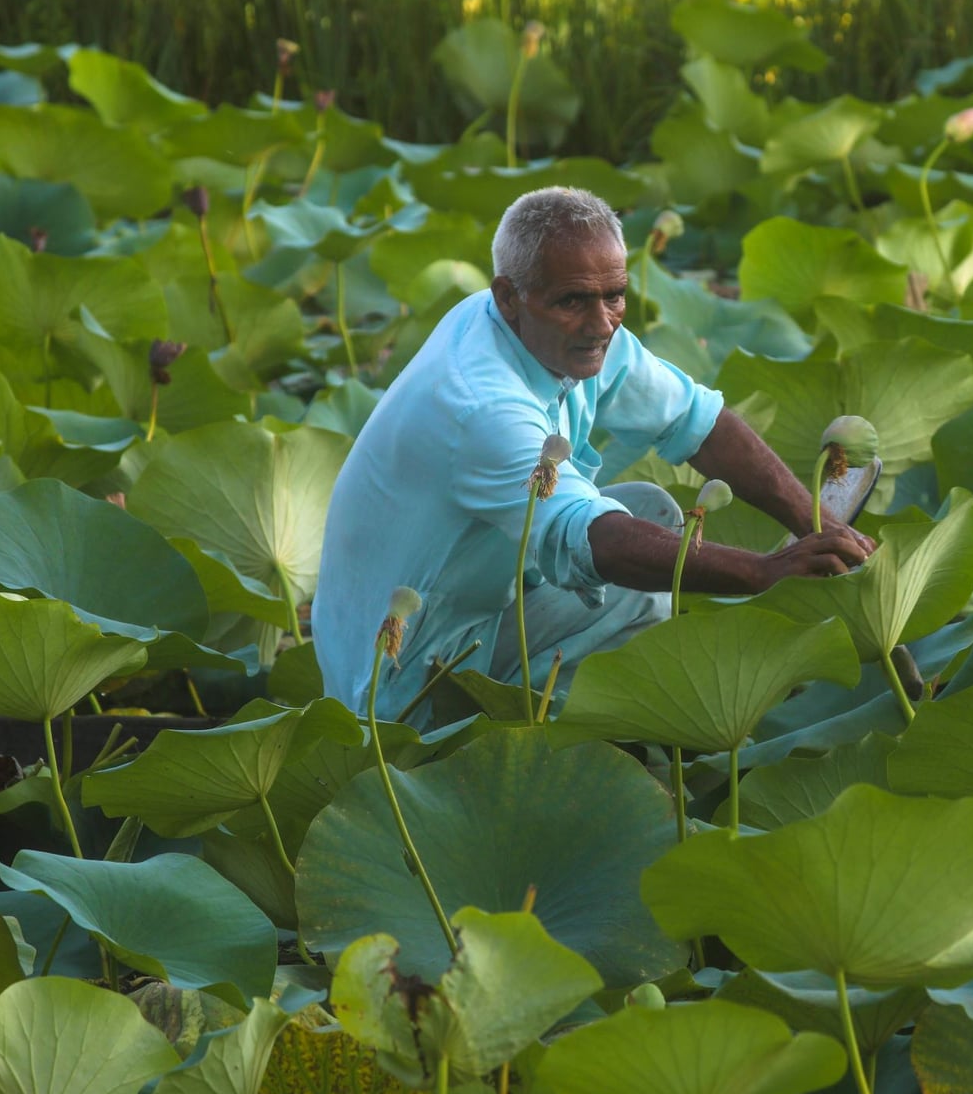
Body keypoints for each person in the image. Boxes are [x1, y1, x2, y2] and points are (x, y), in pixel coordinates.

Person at [312, 186, 875, 720]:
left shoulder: (549, 328)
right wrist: (761, 572)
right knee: (633, 579)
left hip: (480, 600)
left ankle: (590, 722)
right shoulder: (481, 406)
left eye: (615, 295)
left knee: (652, 510)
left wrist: (814, 522)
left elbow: (696, 422)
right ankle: (570, 749)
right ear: (509, 296)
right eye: (573, 300)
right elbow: (589, 539)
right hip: (400, 677)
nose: (602, 322)